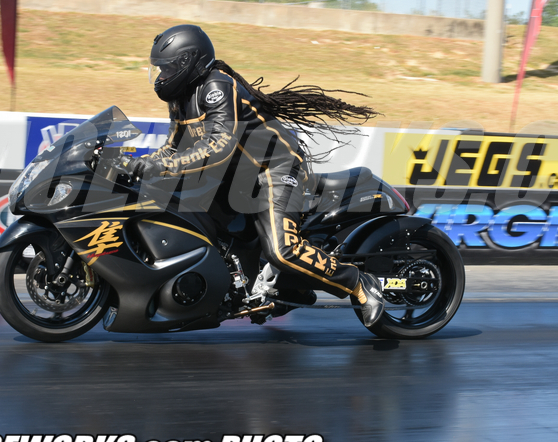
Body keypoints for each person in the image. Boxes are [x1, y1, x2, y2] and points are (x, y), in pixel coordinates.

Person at [121, 24, 387, 327]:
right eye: (159, 69)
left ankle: (358, 283)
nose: (161, 76)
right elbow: (173, 148)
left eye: (167, 68)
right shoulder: (180, 98)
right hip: (234, 176)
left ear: (188, 63)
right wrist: (134, 165)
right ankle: (262, 288)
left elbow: (219, 145)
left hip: (274, 169)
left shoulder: (216, 87)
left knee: (283, 251)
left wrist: (161, 167)